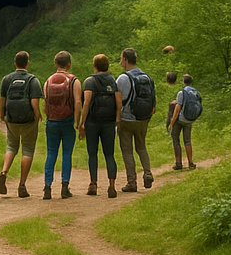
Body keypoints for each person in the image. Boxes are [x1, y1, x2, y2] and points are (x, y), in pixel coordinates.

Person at [0, 51, 42, 197]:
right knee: (27, 150)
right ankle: (22, 185)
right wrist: (37, 115)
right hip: (28, 120)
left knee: (11, 146)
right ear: (27, 63)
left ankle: (4, 172)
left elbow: (1, 99)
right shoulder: (32, 80)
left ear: (15, 63)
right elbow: (34, 102)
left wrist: (2, 114)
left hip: (12, 119)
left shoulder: (7, 79)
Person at [79, 53, 121, 198]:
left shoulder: (90, 81)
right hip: (109, 122)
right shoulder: (112, 81)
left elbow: (86, 102)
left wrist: (82, 123)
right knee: (109, 154)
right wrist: (117, 119)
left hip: (92, 121)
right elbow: (119, 102)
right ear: (107, 66)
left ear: (95, 66)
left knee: (92, 154)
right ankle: (112, 185)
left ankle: (93, 183)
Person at [42, 51, 82, 199]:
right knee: (66, 153)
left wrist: (49, 116)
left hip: (52, 121)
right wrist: (78, 121)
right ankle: (65, 187)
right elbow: (78, 102)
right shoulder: (74, 81)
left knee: (51, 153)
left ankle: (47, 187)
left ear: (56, 63)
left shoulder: (48, 81)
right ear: (69, 64)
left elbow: (45, 103)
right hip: (67, 120)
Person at [116, 47, 156, 192]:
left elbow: (117, 101)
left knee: (127, 151)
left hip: (127, 119)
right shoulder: (147, 78)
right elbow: (153, 103)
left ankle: (131, 182)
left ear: (125, 60)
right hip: (143, 119)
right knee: (141, 147)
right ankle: (147, 173)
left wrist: (117, 118)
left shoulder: (123, 78)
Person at [169, 73, 199, 170]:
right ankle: (190, 163)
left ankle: (178, 163)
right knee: (187, 141)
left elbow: (177, 108)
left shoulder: (182, 93)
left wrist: (172, 121)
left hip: (180, 119)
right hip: (189, 120)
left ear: (184, 82)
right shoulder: (195, 92)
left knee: (175, 139)